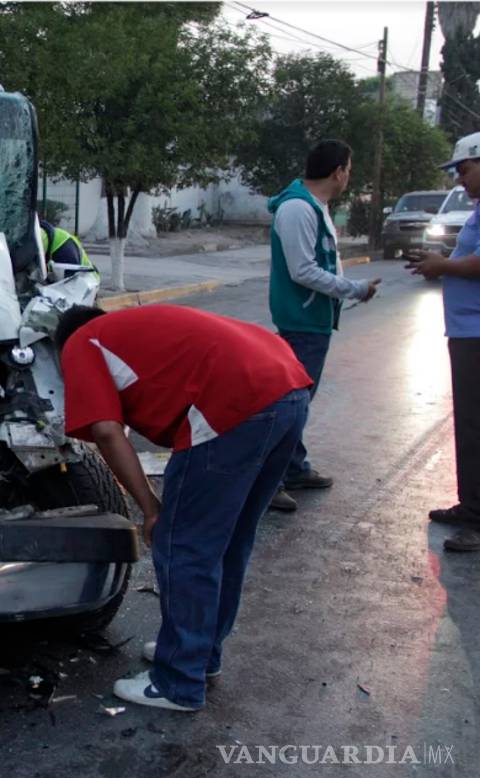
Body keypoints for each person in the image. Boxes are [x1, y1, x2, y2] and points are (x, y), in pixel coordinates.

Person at [56, 303, 312, 711]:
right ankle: (199, 653)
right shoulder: (130, 331)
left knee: (183, 543)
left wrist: (150, 508)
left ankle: (178, 681)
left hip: (233, 401)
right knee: (229, 541)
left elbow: (105, 431)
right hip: (288, 390)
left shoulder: (80, 341)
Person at [267, 140, 381, 512]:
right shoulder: (298, 208)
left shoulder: (314, 206)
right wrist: (354, 289)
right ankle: (269, 482)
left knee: (297, 401)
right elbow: (302, 270)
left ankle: (294, 469)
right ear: (338, 172)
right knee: (292, 405)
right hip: (301, 319)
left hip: (313, 319)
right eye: (349, 169)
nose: (349, 176)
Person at [406, 132, 480, 552]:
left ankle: (477, 517)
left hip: (477, 333)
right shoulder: (476, 211)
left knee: (476, 425)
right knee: (469, 425)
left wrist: (444, 265)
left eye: (464, 170)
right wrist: (440, 263)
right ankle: (470, 506)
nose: (459, 180)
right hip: (467, 331)